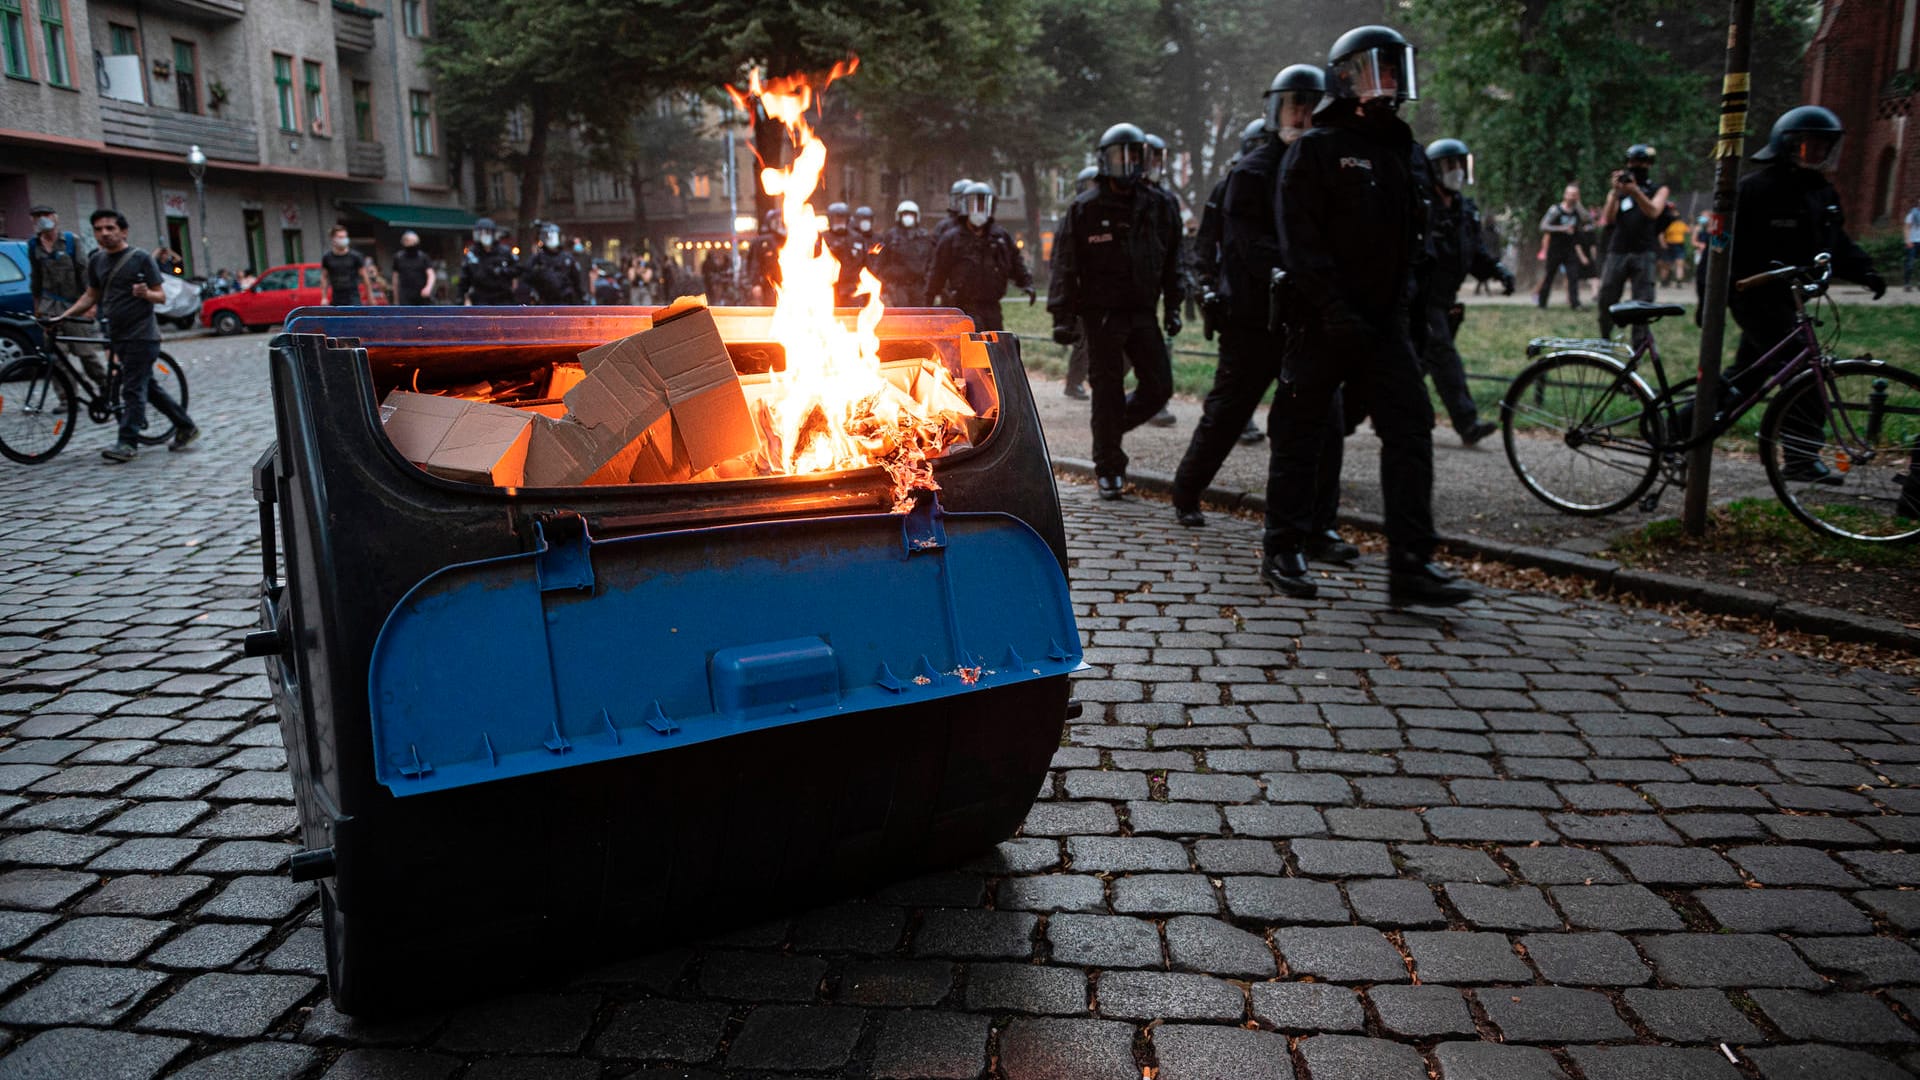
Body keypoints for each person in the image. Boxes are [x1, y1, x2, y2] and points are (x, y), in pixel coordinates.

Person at [1267, 24, 1472, 606]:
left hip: (1385, 327)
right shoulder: (1316, 147)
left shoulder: (1405, 151)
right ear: (1346, 76)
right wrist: (1332, 308)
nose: (1391, 80)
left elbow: (1415, 243)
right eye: (1379, 68)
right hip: (1321, 324)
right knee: (1301, 436)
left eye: (1396, 68)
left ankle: (1411, 564)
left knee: (1410, 431)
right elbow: (1301, 243)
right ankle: (1282, 548)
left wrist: (1408, 315)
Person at [1172, 65, 1355, 559]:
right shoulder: (1251, 173)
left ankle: (1319, 526)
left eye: (1311, 105)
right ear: (1277, 110)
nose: (1302, 114)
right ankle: (1187, 489)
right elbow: (1247, 247)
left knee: (1325, 425)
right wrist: (1297, 272)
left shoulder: (1331, 168)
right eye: (1294, 105)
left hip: (1309, 322)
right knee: (1228, 414)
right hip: (1254, 319)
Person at [1716, 105, 1885, 481]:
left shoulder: (1821, 192)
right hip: (1754, 299)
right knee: (1808, 378)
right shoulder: (1756, 188)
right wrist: (1710, 296)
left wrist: (1865, 271)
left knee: (1743, 379)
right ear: (1788, 146)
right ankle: (1801, 460)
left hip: (1790, 300)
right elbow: (1721, 243)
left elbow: (1835, 241)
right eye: (1811, 147)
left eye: (1825, 147)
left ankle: (1680, 429)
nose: (1819, 155)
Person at [1048, 122, 1182, 500]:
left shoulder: (1159, 204)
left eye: (1133, 156)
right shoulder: (1084, 209)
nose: (1126, 164)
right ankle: (1109, 467)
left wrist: (1174, 304)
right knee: (1106, 389)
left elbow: (1173, 259)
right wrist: (1062, 317)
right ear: (1104, 161)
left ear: (1143, 158)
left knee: (1159, 386)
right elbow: (1064, 265)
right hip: (1101, 316)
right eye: (1118, 157)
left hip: (1143, 311)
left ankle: (1108, 432)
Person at [53, 209, 200, 462]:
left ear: (123, 231)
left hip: (142, 335)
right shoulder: (97, 261)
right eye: (99, 229)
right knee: (147, 386)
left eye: (110, 228)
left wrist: (145, 294)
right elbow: (91, 295)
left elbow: (161, 296)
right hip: (116, 333)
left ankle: (127, 442)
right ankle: (186, 426)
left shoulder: (140, 257)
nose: (105, 233)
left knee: (132, 388)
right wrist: (64, 315)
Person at [1420, 136, 1514, 446]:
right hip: (1422, 300)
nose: (1456, 172)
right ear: (1434, 169)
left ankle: (1360, 412)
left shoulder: (1464, 209)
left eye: (1460, 165)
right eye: (1449, 166)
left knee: (1417, 364)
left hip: (1447, 301)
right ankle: (1467, 422)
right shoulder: (1423, 206)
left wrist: (1497, 271)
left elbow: (1474, 253)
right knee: (1445, 360)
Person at [1189, 120, 1269, 443]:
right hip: (1235, 288)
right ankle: (1238, 418)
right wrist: (1206, 284)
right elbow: (1206, 242)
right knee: (1236, 366)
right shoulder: (1228, 187)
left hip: (1271, 288)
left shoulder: (1289, 182)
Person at [925, 181, 1034, 332]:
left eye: (983, 205)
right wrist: (929, 300)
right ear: (965, 207)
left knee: (993, 349)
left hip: (991, 308)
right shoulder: (951, 238)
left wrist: (1026, 282)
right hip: (963, 307)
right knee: (966, 350)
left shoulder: (1000, 237)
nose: (979, 210)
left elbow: (1015, 261)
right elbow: (937, 271)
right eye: (974, 205)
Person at [1595, 144, 1671, 345]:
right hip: (1618, 249)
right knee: (1607, 296)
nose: (1635, 165)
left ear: (1648, 164)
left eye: (1640, 162)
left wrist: (1635, 191)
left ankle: (1638, 345)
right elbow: (1608, 218)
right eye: (1632, 162)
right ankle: (1605, 337)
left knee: (1642, 301)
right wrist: (1614, 192)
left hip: (1644, 250)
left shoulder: (1658, 189)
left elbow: (1654, 212)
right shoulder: (1619, 190)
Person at [26, 204, 107, 383]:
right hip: (50, 305)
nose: (41, 219)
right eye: (37, 216)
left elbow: (85, 273)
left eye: (45, 214)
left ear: (55, 217)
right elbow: (36, 277)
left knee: (85, 353)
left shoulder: (71, 241)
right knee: (55, 356)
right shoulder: (33, 245)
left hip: (75, 304)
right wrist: (37, 305)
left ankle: (104, 387)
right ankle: (66, 398)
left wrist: (91, 304)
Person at [1060, 165, 1102, 400]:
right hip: (1079, 293)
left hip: (1100, 291)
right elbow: (1063, 259)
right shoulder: (1074, 215)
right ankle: (1073, 382)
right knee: (1082, 341)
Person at [1536, 183, 1589, 309]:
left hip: (1570, 249)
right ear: (1565, 195)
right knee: (1549, 275)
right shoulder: (1556, 210)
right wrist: (1562, 228)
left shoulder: (1577, 211)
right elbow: (1543, 226)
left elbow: (1587, 219)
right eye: (1570, 194)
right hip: (1555, 248)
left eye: (1574, 195)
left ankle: (1575, 303)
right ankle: (1542, 302)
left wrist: (1579, 204)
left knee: (1573, 276)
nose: (1572, 197)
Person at [872, 200, 934, 306]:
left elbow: (931, 262)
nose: (908, 217)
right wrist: (884, 285)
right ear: (899, 216)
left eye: (911, 214)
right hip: (897, 286)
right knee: (902, 315)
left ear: (916, 217)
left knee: (920, 316)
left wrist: (929, 285)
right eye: (905, 214)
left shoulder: (924, 237)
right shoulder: (891, 236)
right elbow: (881, 262)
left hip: (919, 286)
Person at [458, 217, 521, 305]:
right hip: (480, 299)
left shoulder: (505, 251)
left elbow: (517, 270)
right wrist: (462, 299)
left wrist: (502, 271)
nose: (484, 236)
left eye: (487, 232)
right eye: (481, 233)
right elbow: (464, 279)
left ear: (493, 234)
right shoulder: (472, 254)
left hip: (503, 298)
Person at [524, 222, 588, 305]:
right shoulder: (537, 259)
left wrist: (581, 298)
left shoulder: (567, 258)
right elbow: (526, 279)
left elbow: (577, 281)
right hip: (544, 303)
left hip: (565, 302)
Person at [821, 202, 866, 307]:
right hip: (830, 289)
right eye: (836, 219)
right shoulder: (823, 238)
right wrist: (833, 250)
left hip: (852, 289)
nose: (839, 222)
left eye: (842, 219)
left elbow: (866, 263)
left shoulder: (856, 238)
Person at [321, 225, 373, 306]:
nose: (344, 239)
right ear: (333, 239)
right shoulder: (327, 257)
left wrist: (370, 298)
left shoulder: (355, 256)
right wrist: (324, 297)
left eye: (345, 237)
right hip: (336, 300)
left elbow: (365, 277)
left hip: (353, 299)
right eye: (340, 237)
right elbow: (324, 277)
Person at [747, 210, 784, 305]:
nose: (779, 224)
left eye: (780, 221)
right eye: (776, 221)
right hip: (768, 285)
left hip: (783, 283)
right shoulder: (762, 241)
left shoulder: (785, 239)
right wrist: (756, 283)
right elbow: (754, 263)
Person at [390, 231, 435, 306]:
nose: (409, 244)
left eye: (412, 241)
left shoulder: (423, 257)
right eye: (407, 241)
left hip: (421, 294)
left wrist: (428, 287)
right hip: (405, 295)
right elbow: (395, 278)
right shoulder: (398, 257)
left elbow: (431, 274)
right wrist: (396, 298)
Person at [1661, 210, 1691, 285]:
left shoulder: (1681, 224)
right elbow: (1661, 234)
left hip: (1679, 245)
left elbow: (1689, 231)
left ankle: (1679, 281)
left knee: (1679, 263)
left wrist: (1690, 221)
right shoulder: (1667, 224)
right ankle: (1664, 280)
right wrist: (1663, 243)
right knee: (1667, 264)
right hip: (1669, 245)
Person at [1903, 201, 1920, 291]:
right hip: (1913, 242)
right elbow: (1906, 227)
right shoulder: (1912, 214)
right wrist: (1907, 240)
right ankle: (1907, 283)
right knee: (1910, 264)